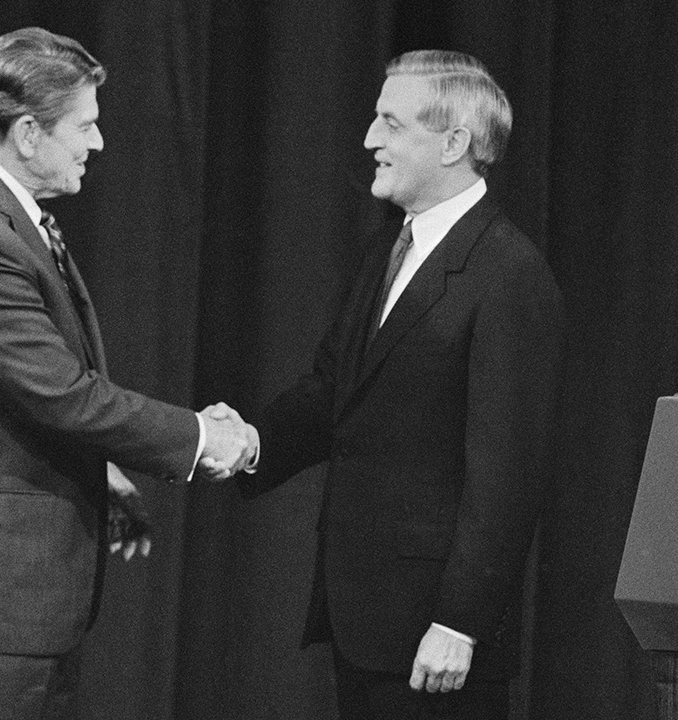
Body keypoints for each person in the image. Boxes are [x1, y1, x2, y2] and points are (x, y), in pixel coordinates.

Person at [0, 27, 256, 719]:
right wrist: (202, 439)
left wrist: (98, 470)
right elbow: (62, 393)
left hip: (11, 605)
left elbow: (15, 393)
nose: (98, 144)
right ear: (28, 132)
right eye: (85, 126)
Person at [231, 50, 563, 719]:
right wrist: (244, 443)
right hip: (366, 625)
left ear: (454, 143)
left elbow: (507, 476)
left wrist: (460, 623)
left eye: (390, 122)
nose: (369, 140)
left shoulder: (508, 274)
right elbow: (333, 390)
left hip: (435, 642)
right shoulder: (387, 249)